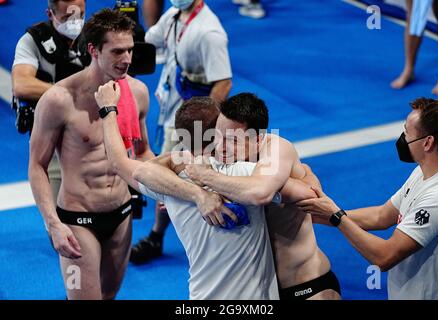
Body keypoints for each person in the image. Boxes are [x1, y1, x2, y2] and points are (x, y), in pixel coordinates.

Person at [95, 90, 279, 299]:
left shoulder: (167, 182)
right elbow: (299, 190)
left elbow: (118, 162)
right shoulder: (248, 173)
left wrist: (108, 109)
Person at [28, 8, 154, 300]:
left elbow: (143, 151)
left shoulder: (137, 92)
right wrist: (53, 224)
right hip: (77, 220)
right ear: (93, 50)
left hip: (122, 215)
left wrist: (165, 188)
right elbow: (37, 166)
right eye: (118, 51)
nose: (127, 60)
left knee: (108, 296)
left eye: (131, 50)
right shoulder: (59, 100)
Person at [183, 93, 341, 300]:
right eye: (216, 136)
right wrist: (189, 192)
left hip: (306, 286)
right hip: (260, 293)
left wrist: (204, 176)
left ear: (257, 140)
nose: (219, 147)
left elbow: (259, 193)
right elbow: (158, 167)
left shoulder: (276, 149)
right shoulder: (224, 155)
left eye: (230, 140)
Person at [298, 98, 438, 300]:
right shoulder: (422, 172)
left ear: (428, 142)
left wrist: (336, 217)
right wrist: (319, 215)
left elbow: (384, 257)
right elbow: (380, 216)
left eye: (407, 132)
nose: (402, 137)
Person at [131, 0, 232, 264]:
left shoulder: (209, 33)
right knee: (169, 173)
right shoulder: (174, 14)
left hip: (194, 118)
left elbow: (223, 82)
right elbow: (148, 40)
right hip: (174, 106)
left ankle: (164, 236)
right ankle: (159, 233)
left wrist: (204, 129)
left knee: (169, 173)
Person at [12, 0, 89, 204]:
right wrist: (70, 94)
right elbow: (21, 85)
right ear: (50, 14)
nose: (74, 23)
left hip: (94, 139)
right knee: (58, 219)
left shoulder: (95, 36)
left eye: (80, 15)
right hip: (54, 142)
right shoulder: (33, 40)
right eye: (66, 18)